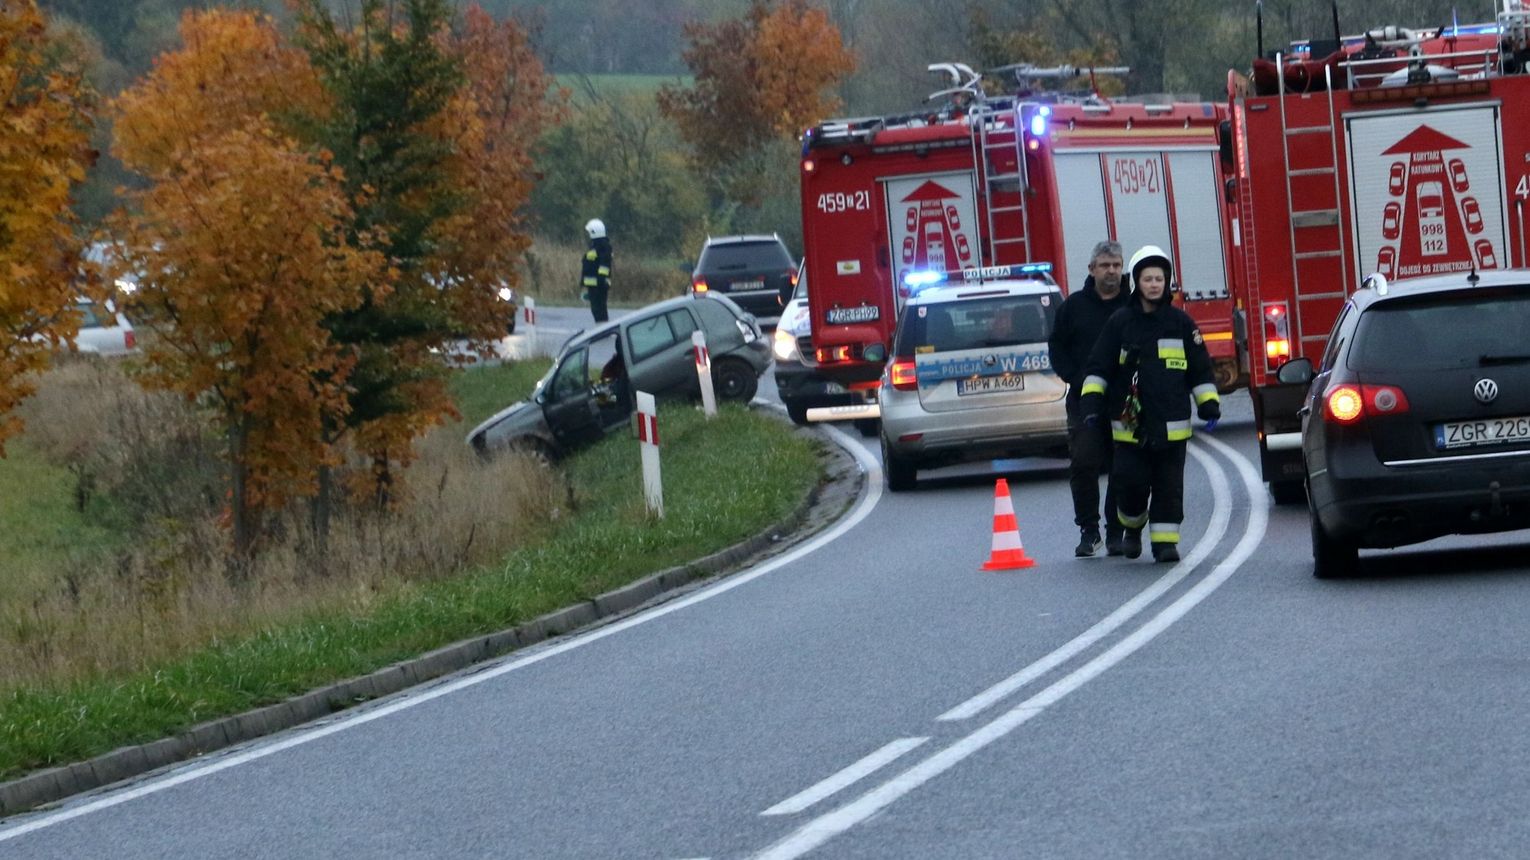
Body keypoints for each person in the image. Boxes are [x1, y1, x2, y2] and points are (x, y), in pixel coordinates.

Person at [1077, 245, 1220, 563]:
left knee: (1169, 489)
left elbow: (1200, 368)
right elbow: (1099, 366)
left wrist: (1208, 403)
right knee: (1129, 484)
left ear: (1166, 282)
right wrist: (1091, 403)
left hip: (1171, 426)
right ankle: (1131, 527)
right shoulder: (1120, 323)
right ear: (1137, 282)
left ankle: (1165, 544)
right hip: (1130, 427)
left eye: (1159, 278)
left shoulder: (1182, 324)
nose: (1154, 284)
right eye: (1148, 278)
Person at [1048, 240, 1133, 558]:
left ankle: (1115, 532)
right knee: (1084, 463)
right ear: (1091, 269)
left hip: (1125, 402)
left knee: (1122, 468)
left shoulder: (1133, 306)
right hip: (1085, 403)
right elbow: (1056, 347)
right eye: (1105, 265)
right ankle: (1089, 530)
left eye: (1116, 265)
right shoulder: (1073, 307)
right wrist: (1076, 377)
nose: (1111, 271)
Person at [581, 218, 612, 323]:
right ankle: (601, 328)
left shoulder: (603, 247)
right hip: (594, 286)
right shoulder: (596, 246)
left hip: (599, 286)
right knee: (596, 310)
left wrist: (600, 280)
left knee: (600, 310)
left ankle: (603, 330)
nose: (588, 235)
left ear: (594, 232)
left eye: (589, 232)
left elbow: (604, 265)